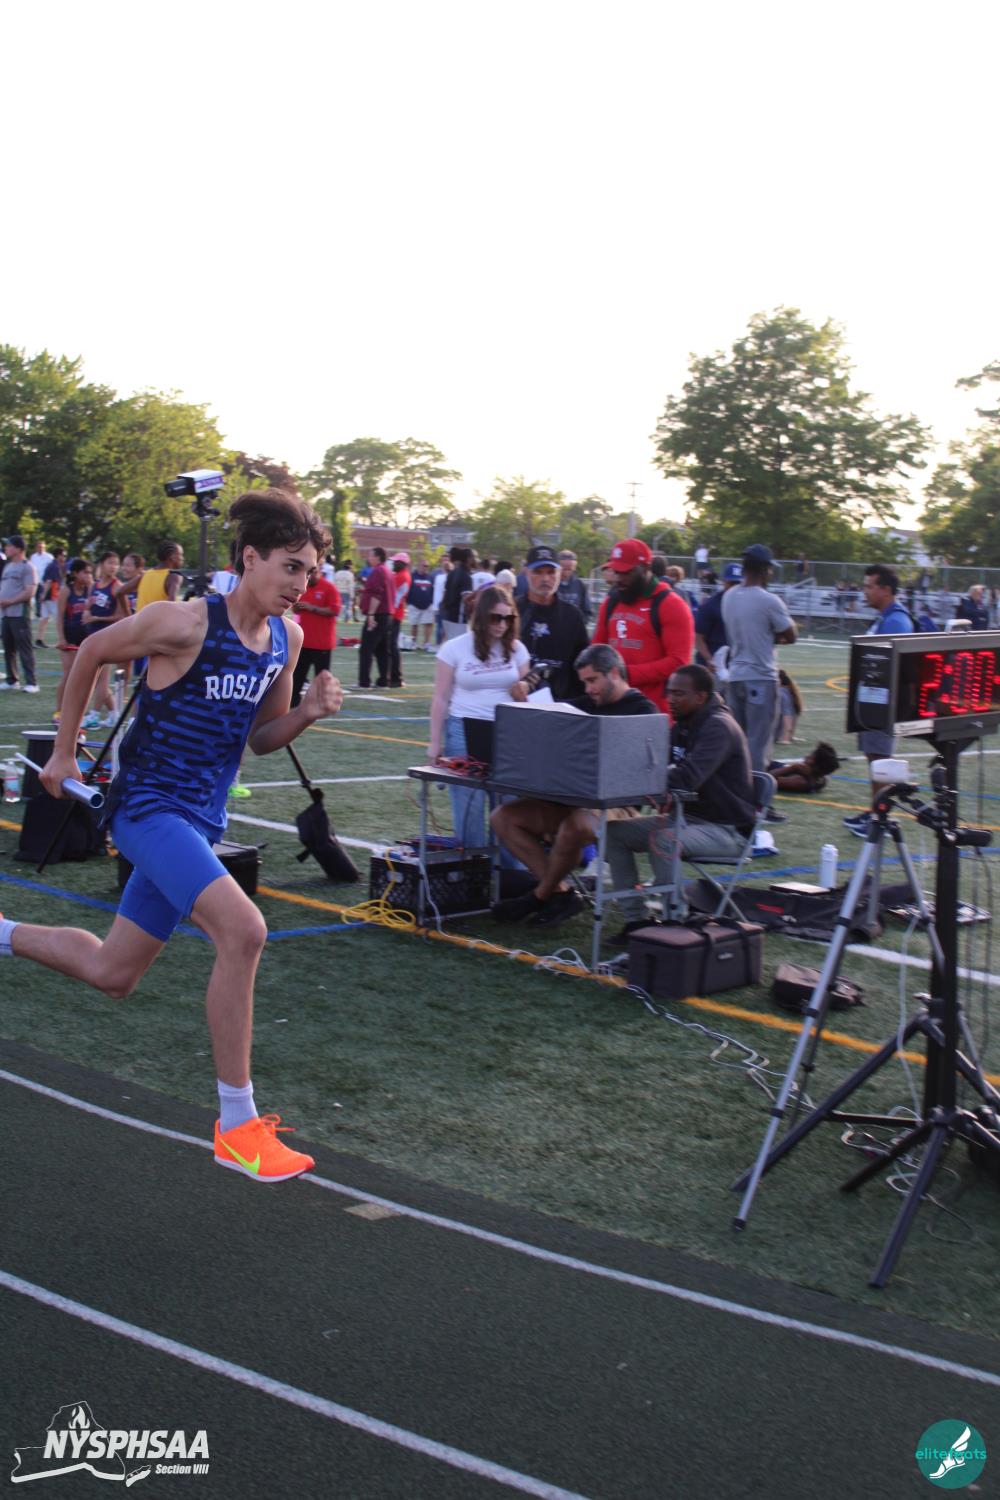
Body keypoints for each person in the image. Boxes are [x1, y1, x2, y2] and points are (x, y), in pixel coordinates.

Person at [0, 489, 341, 1183]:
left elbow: (262, 739)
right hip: (147, 810)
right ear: (250, 558)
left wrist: (306, 712)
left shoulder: (287, 639)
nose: (300, 585)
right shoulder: (182, 622)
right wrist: (64, 754)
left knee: (113, 973)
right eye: (290, 567)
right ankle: (238, 1125)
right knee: (244, 930)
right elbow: (92, 651)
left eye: (309, 573)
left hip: (201, 821)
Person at [490, 644, 658, 928]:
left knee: (575, 825)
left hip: (618, 806)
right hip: (569, 800)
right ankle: (560, 892)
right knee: (503, 817)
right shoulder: (582, 705)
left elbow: (643, 775)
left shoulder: (643, 710)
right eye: (584, 682)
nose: (588, 689)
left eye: (593, 680)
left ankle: (539, 896)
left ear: (614, 673)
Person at [604, 664, 756, 940]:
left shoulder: (718, 727)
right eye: (669, 692)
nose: (670, 699)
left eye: (678, 694)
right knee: (613, 833)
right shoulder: (685, 723)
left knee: (664, 840)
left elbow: (687, 778)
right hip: (686, 819)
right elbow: (654, 766)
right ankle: (636, 921)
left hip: (726, 829)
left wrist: (643, 780)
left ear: (701, 697)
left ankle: (674, 921)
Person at [428, 585, 531, 851]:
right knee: (468, 804)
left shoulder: (517, 649)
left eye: (508, 618)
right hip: (464, 728)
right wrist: (434, 743)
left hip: (507, 732)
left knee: (509, 804)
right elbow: (440, 698)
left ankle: (510, 869)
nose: (502, 624)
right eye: (496, 618)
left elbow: (528, 695)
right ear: (482, 616)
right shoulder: (454, 648)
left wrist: (524, 688)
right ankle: (472, 866)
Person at [843, 563, 914, 838]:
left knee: (880, 760)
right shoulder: (886, 618)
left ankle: (880, 818)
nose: (865, 591)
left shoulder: (896, 620)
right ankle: (875, 810)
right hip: (873, 700)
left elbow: (892, 664)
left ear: (885, 589)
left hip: (882, 703)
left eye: (869, 586)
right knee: (875, 759)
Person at [592, 538, 693, 714]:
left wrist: (626, 675)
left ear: (646, 568)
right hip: (613, 709)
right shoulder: (610, 602)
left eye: (626, 573)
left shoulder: (671, 604)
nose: (619, 579)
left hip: (653, 711)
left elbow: (679, 662)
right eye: (616, 572)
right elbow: (597, 650)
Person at [721, 543, 796, 772]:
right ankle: (754, 791)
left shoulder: (729, 596)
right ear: (764, 570)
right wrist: (771, 636)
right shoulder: (769, 600)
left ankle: (736, 787)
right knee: (758, 744)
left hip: (735, 675)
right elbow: (791, 635)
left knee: (737, 741)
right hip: (761, 676)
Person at [514, 545, 590, 702]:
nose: (545, 579)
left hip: (561, 704)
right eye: (538, 572)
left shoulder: (572, 615)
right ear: (526, 572)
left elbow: (583, 664)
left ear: (559, 574)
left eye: (551, 572)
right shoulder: (512, 611)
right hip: (516, 702)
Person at [83, 551, 126, 725]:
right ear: (102, 564)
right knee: (96, 678)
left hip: (108, 636)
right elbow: (88, 605)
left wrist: (97, 618)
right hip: (93, 635)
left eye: (116, 563)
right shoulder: (94, 585)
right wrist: (87, 613)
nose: (113, 567)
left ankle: (94, 715)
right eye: (110, 563)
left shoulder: (117, 586)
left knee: (101, 679)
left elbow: (121, 616)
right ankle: (114, 713)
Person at [291, 564, 340, 706]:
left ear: (320, 572)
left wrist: (313, 608)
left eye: (313, 572)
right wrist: (297, 607)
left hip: (322, 643)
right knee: (297, 675)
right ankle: (293, 701)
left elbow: (334, 610)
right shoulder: (303, 587)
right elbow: (296, 610)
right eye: (308, 572)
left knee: (322, 678)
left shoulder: (329, 588)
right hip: (304, 641)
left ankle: (322, 703)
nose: (310, 575)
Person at [0, 535, 40, 693]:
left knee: (25, 649)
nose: (6, 548)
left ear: (18, 548)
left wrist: (10, 601)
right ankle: (12, 680)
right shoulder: (8, 566)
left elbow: (30, 591)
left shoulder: (27, 567)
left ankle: (32, 683)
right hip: (6, 614)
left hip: (20, 614)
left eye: (9, 546)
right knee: (8, 649)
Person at [54, 558, 94, 713]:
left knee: (83, 676)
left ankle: (76, 710)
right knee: (68, 675)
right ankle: (59, 711)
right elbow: (59, 616)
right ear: (76, 573)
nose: (89, 575)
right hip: (69, 637)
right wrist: (61, 638)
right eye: (85, 572)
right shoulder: (66, 590)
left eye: (90, 573)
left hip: (85, 637)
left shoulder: (89, 589)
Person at [357, 546, 393, 688]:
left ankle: (364, 682)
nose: (368, 558)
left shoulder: (378, 571)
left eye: (371, 555)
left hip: (377, 615)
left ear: (378, 557)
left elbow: (377, 594)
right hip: (387, 615)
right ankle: (384, 680)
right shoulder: (387, 571)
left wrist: (371, 614)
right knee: (382, 650)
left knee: (366, 649)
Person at [694, 562, 741, 667]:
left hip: (735, 665)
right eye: (732, 583)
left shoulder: (746, 605)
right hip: (712, 665)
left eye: (738, 584)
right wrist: (709, 660)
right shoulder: (710, 606)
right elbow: (698, 638)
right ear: (724, 582)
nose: (735, 587)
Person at [770, 742, 839, 794]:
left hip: (767, 769)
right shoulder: (821, 779)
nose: (807, 756)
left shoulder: (801, 782)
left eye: (811, 756)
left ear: (815, 765)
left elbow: (767, 780)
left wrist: (793, 768)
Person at [135, 541, 184, 609]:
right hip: (161, 616)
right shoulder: (174, 576)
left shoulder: (145, 574)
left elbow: (121, 591)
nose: (182, 558)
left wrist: (127, 613)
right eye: (180, 555)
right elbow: (172, 606)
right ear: (172, 556)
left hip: (140, 616)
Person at [387, 551, 412, 687]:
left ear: (402, 564)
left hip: (394, 614)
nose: (394, 564)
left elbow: (390, 593)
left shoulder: (401, 576)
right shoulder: (402, 575)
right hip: (396, 613)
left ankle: (395, 677)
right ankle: (394, 675)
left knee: (392, 646)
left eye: (396, 562)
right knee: (392, 645)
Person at [36, 547, 67, 647]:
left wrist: (43, 595)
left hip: (47, 595)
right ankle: (62, 639)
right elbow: (49, 581)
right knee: (59, 617)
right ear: (58, 556)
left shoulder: (53, 565)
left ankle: (39, 639)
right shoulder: (54, 566)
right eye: (63, 555)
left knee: (44, 618)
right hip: (51, 596)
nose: (64, 557)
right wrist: (44, 594)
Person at [407, 557, 436, 650]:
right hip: (414, 605)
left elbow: (434, 590)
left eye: (427, 566)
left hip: (428, 605)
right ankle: (413, 642)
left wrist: (432, 602)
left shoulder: (431, 577)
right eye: (424, 565)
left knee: (428, 624)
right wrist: (409, 602)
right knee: (414, 624)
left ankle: (426, 643)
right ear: (419, 566)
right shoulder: (412, 576)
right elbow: (407, 589)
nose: (426, 567)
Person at [441, 546, 474, 625]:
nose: (475, 560)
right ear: (468, 559)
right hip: (459, 618)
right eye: (474, 557)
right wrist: (478, 593)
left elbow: (445, 595)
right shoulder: (466, 576)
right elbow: (466, 600)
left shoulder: (452, 573)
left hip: (448, 616)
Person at [556, 550, 591, 621]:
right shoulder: (551, 584)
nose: (566, 571)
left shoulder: (579, 585)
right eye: (564, 568)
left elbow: (587, 611)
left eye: (569, 568)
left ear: (574, 567)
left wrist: (580, 623)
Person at [777, 668, 802, 744]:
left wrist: (785, 739)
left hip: (778, 735)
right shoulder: (790, 691)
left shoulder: (781, 693)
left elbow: (787, 716)